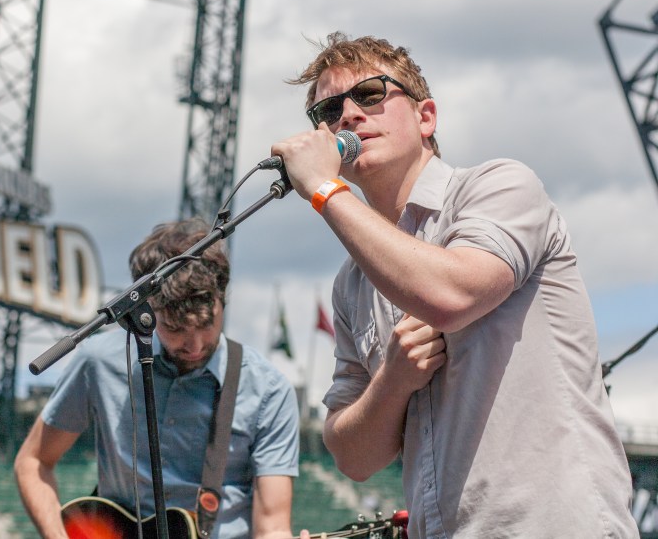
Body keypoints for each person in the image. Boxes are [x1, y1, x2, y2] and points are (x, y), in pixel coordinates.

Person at [272, 32, 637, 538]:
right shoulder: (353, 284)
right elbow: (352, 456)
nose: (350, 115)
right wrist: (393, 381)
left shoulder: (499, 187)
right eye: (329, 110)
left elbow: (450, 296)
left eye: (371, 94)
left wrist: (325, 190)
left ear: (426, 117)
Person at [14, 218, 300, 539]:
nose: (194, 345)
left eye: (207, 325)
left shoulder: (268, 390)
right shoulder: (97, 362)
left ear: (222, 301)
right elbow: (34, 461)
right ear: (146, 309)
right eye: (175, 328)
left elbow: (273, 527)